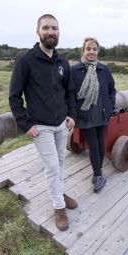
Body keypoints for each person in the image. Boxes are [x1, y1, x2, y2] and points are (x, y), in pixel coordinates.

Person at [9, 14, 77, 231]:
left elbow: (70, 92)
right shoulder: (25, 60)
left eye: (54, 28)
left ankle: (58, 191)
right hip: (41, 126)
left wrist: (71, 115)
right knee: (52, 166)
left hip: (61, 124)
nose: (51, 32)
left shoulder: (62, 62)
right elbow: (14, 95)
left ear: (59, 32)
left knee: (61, 163)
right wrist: (24, 123)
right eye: (46, 28)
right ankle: (58, 207)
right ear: (37, 31)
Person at [72, 37, 116, 193]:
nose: (91, 52)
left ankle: (98, 169)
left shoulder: (104, 70)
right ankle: (98, 175)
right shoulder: (75, 70)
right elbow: (70, 94)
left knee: (100, 142)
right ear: (83, 51)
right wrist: (73, 114)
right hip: (85, 114)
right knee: (93, 145)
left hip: (102, 113)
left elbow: (112, 90)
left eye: (94, 49)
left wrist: (110, 107)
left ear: (98, 51)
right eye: (88, 49)